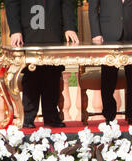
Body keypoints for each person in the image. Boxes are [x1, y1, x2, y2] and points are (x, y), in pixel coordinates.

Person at [6, 0, 79, 129]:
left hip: (53, 29)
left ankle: (51, 116)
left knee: (53, 73)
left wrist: (69, 27)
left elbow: (67, 3)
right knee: (31, 74)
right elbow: (11, 3)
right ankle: (27, 117)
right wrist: (15, 30)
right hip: (28, 31)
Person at [89, 0, 132, 125]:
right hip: (108, 35)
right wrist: (96, 33)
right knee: (108, 77)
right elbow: (93, 9)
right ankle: (109, 116)